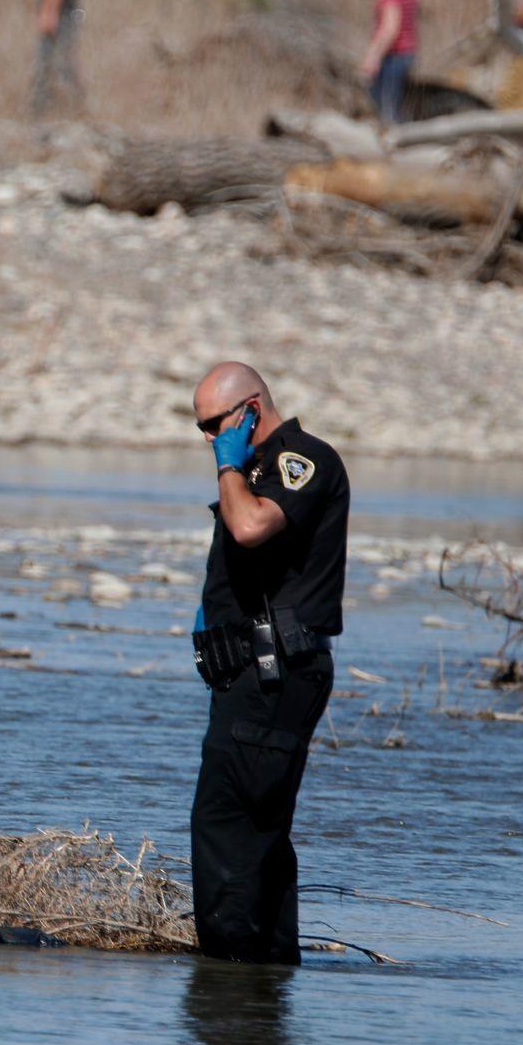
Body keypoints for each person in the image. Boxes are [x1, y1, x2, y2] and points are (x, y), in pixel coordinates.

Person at [187, 363, 349, 964]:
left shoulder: (299, 459)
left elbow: (251, 526)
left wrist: (229, 464)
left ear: (251, 407)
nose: (208, 438)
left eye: (216, 423)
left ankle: (229, 985)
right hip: (250, 674)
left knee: (226, 826)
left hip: (274, 672)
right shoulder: (254, 467)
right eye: (200, 428)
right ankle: (266, 980)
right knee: (256, 830)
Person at [361, 0, 418, 125]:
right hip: (408, 53)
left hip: (393, 55)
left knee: (386, 107)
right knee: (398, 103)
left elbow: (389, 29)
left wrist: (373, 56)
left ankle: (390, 145)